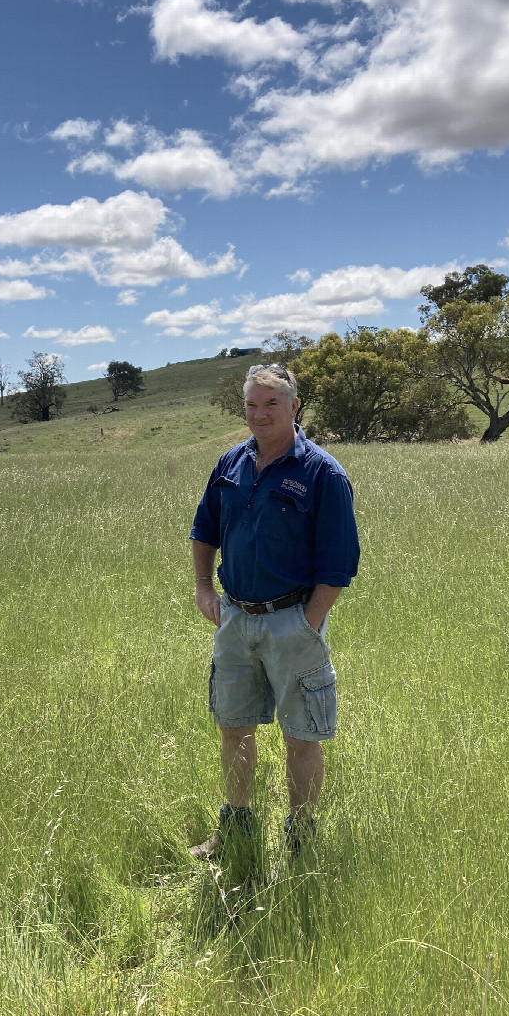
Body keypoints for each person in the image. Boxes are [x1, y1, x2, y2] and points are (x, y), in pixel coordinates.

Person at [189, 362, 359, 867]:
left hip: (292, 622)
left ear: (293, 407)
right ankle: (235, 831)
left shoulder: (321, 472)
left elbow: (340, 560)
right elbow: (204, 532)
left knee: (301, 734)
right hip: (235, 619)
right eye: (251, 404)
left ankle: (300, 840)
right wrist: (203, 588)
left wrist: (309, 620)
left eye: (270, 403)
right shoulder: (229, 464)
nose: (259, 414)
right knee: (234, 727)